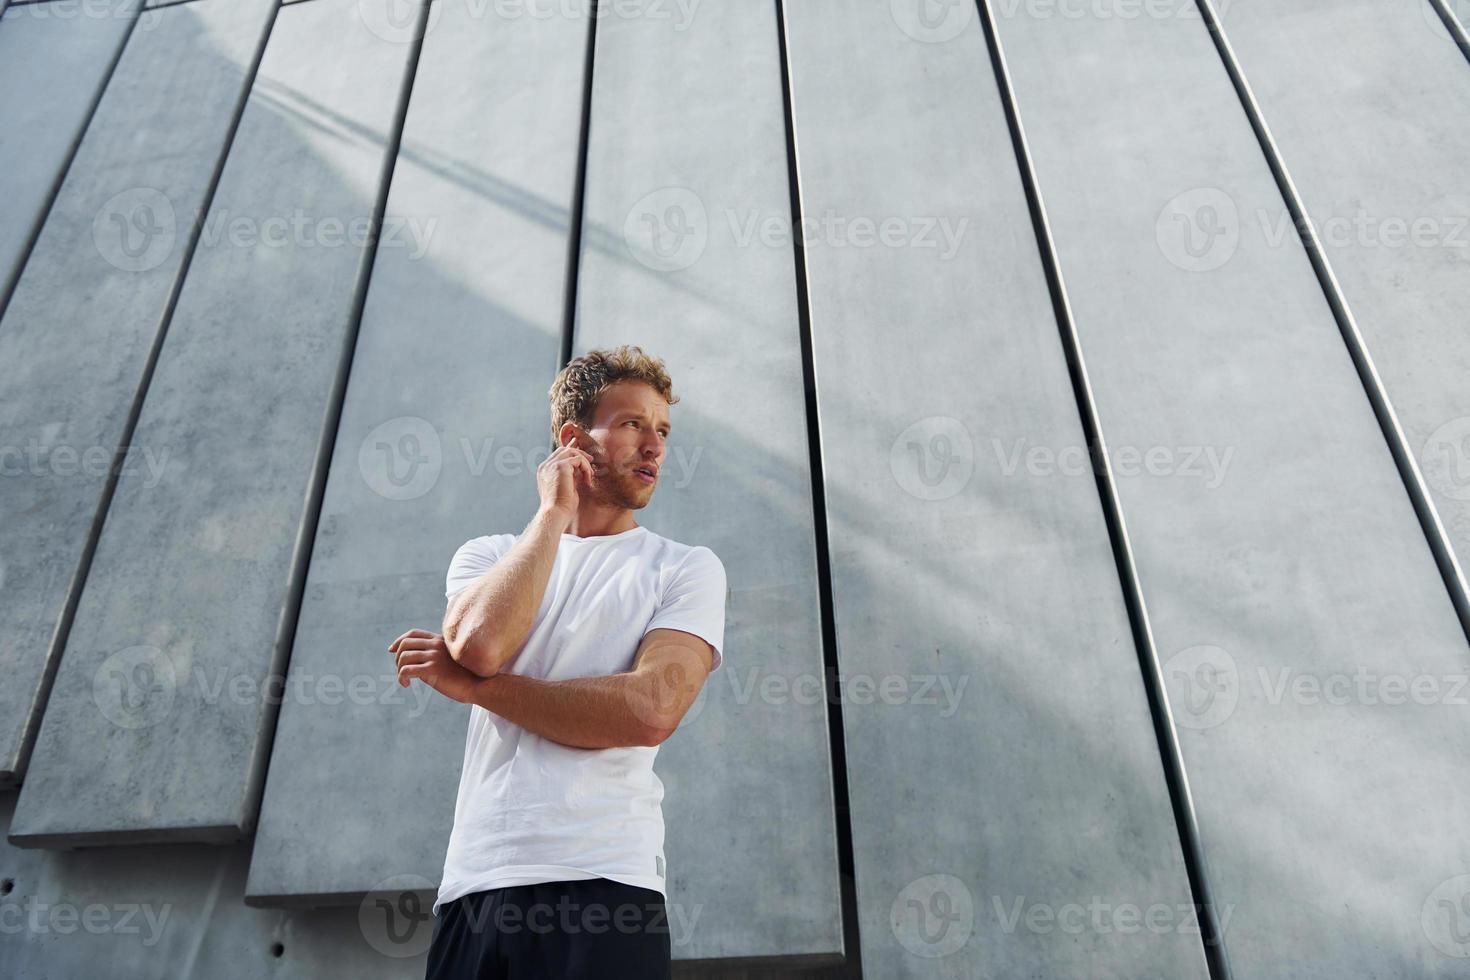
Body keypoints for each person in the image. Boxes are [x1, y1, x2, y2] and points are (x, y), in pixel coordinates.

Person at [389, 345, 727, 979]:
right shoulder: (488, 555)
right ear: (573, 440)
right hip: (474, 886)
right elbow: (479, 646)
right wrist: (553, 513)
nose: (654, 446)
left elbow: (650, 710)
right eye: (632, 424)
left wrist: (478, 691)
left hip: (605, 888)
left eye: (662, 431)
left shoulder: (684, 568)